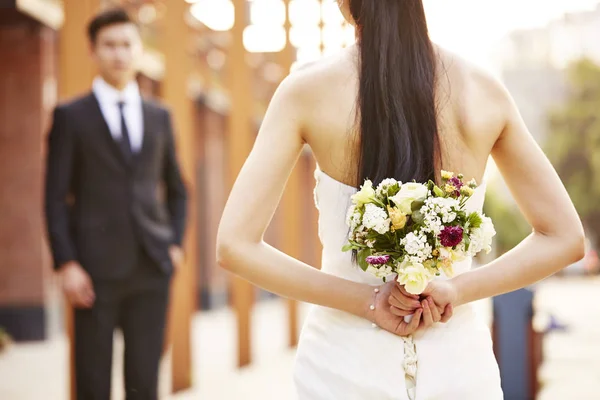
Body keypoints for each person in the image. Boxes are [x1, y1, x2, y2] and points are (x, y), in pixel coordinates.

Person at [216, 1, 584, 399]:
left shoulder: (306, 91)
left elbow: (234, 245)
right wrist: (458, 290)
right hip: (458, 368)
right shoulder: (483, 91)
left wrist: (369, 301)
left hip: (341, 367)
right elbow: (564, 237)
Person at [44, 8, 187, 400]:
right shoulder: (70, 117)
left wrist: (174, 245)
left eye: (126, 44)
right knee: (92, 382)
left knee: (145, 382)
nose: (119, 54)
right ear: (92, 50)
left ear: (138, 50)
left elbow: (178, 189)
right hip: (92, 273)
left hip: (151, 265)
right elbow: (54, 197)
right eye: (109, 45)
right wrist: (66, 263)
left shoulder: (160, 117)